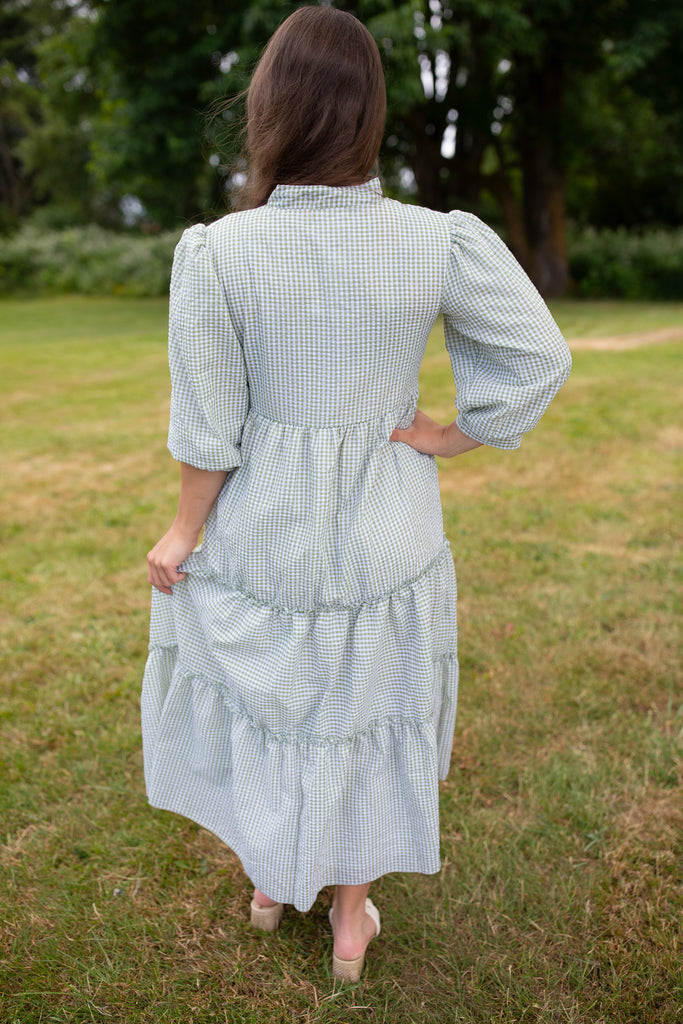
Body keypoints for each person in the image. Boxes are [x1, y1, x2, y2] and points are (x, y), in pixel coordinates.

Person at [143, 6, 571, 984]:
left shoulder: (220, 251)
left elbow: (208, 424)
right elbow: (538, 355)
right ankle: (347, 919)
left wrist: (181, 530)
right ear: (368, 112)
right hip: (388, 525)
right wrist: (449, 436)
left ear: (270, 109)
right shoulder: (433, 240)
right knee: (367, 701)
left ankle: (269, 880)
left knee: (277, 698)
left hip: (267, 527)